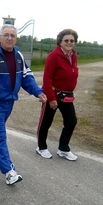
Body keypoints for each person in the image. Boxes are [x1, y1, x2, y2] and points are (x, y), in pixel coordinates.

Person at [0, 24, 47, 185]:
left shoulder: (18, 55)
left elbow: (26, 77)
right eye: (6, 35)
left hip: (9, 103)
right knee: (0, 135)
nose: (9, 38)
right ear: (0, 37)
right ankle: (9, 171)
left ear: (16, 38)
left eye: (12, 35)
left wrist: (37, 92)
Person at [36, 29, 79, 161]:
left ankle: (63, 148)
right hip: (52, 94)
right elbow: (47, 78)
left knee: (71, 121)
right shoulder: (53, 56)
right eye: (66, 40)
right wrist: (51, 98)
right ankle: (41, 147)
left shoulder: (73, 55)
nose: (69, 42)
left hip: (66, 96)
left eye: (72, 40)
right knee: (46, 122)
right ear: (60, 42)